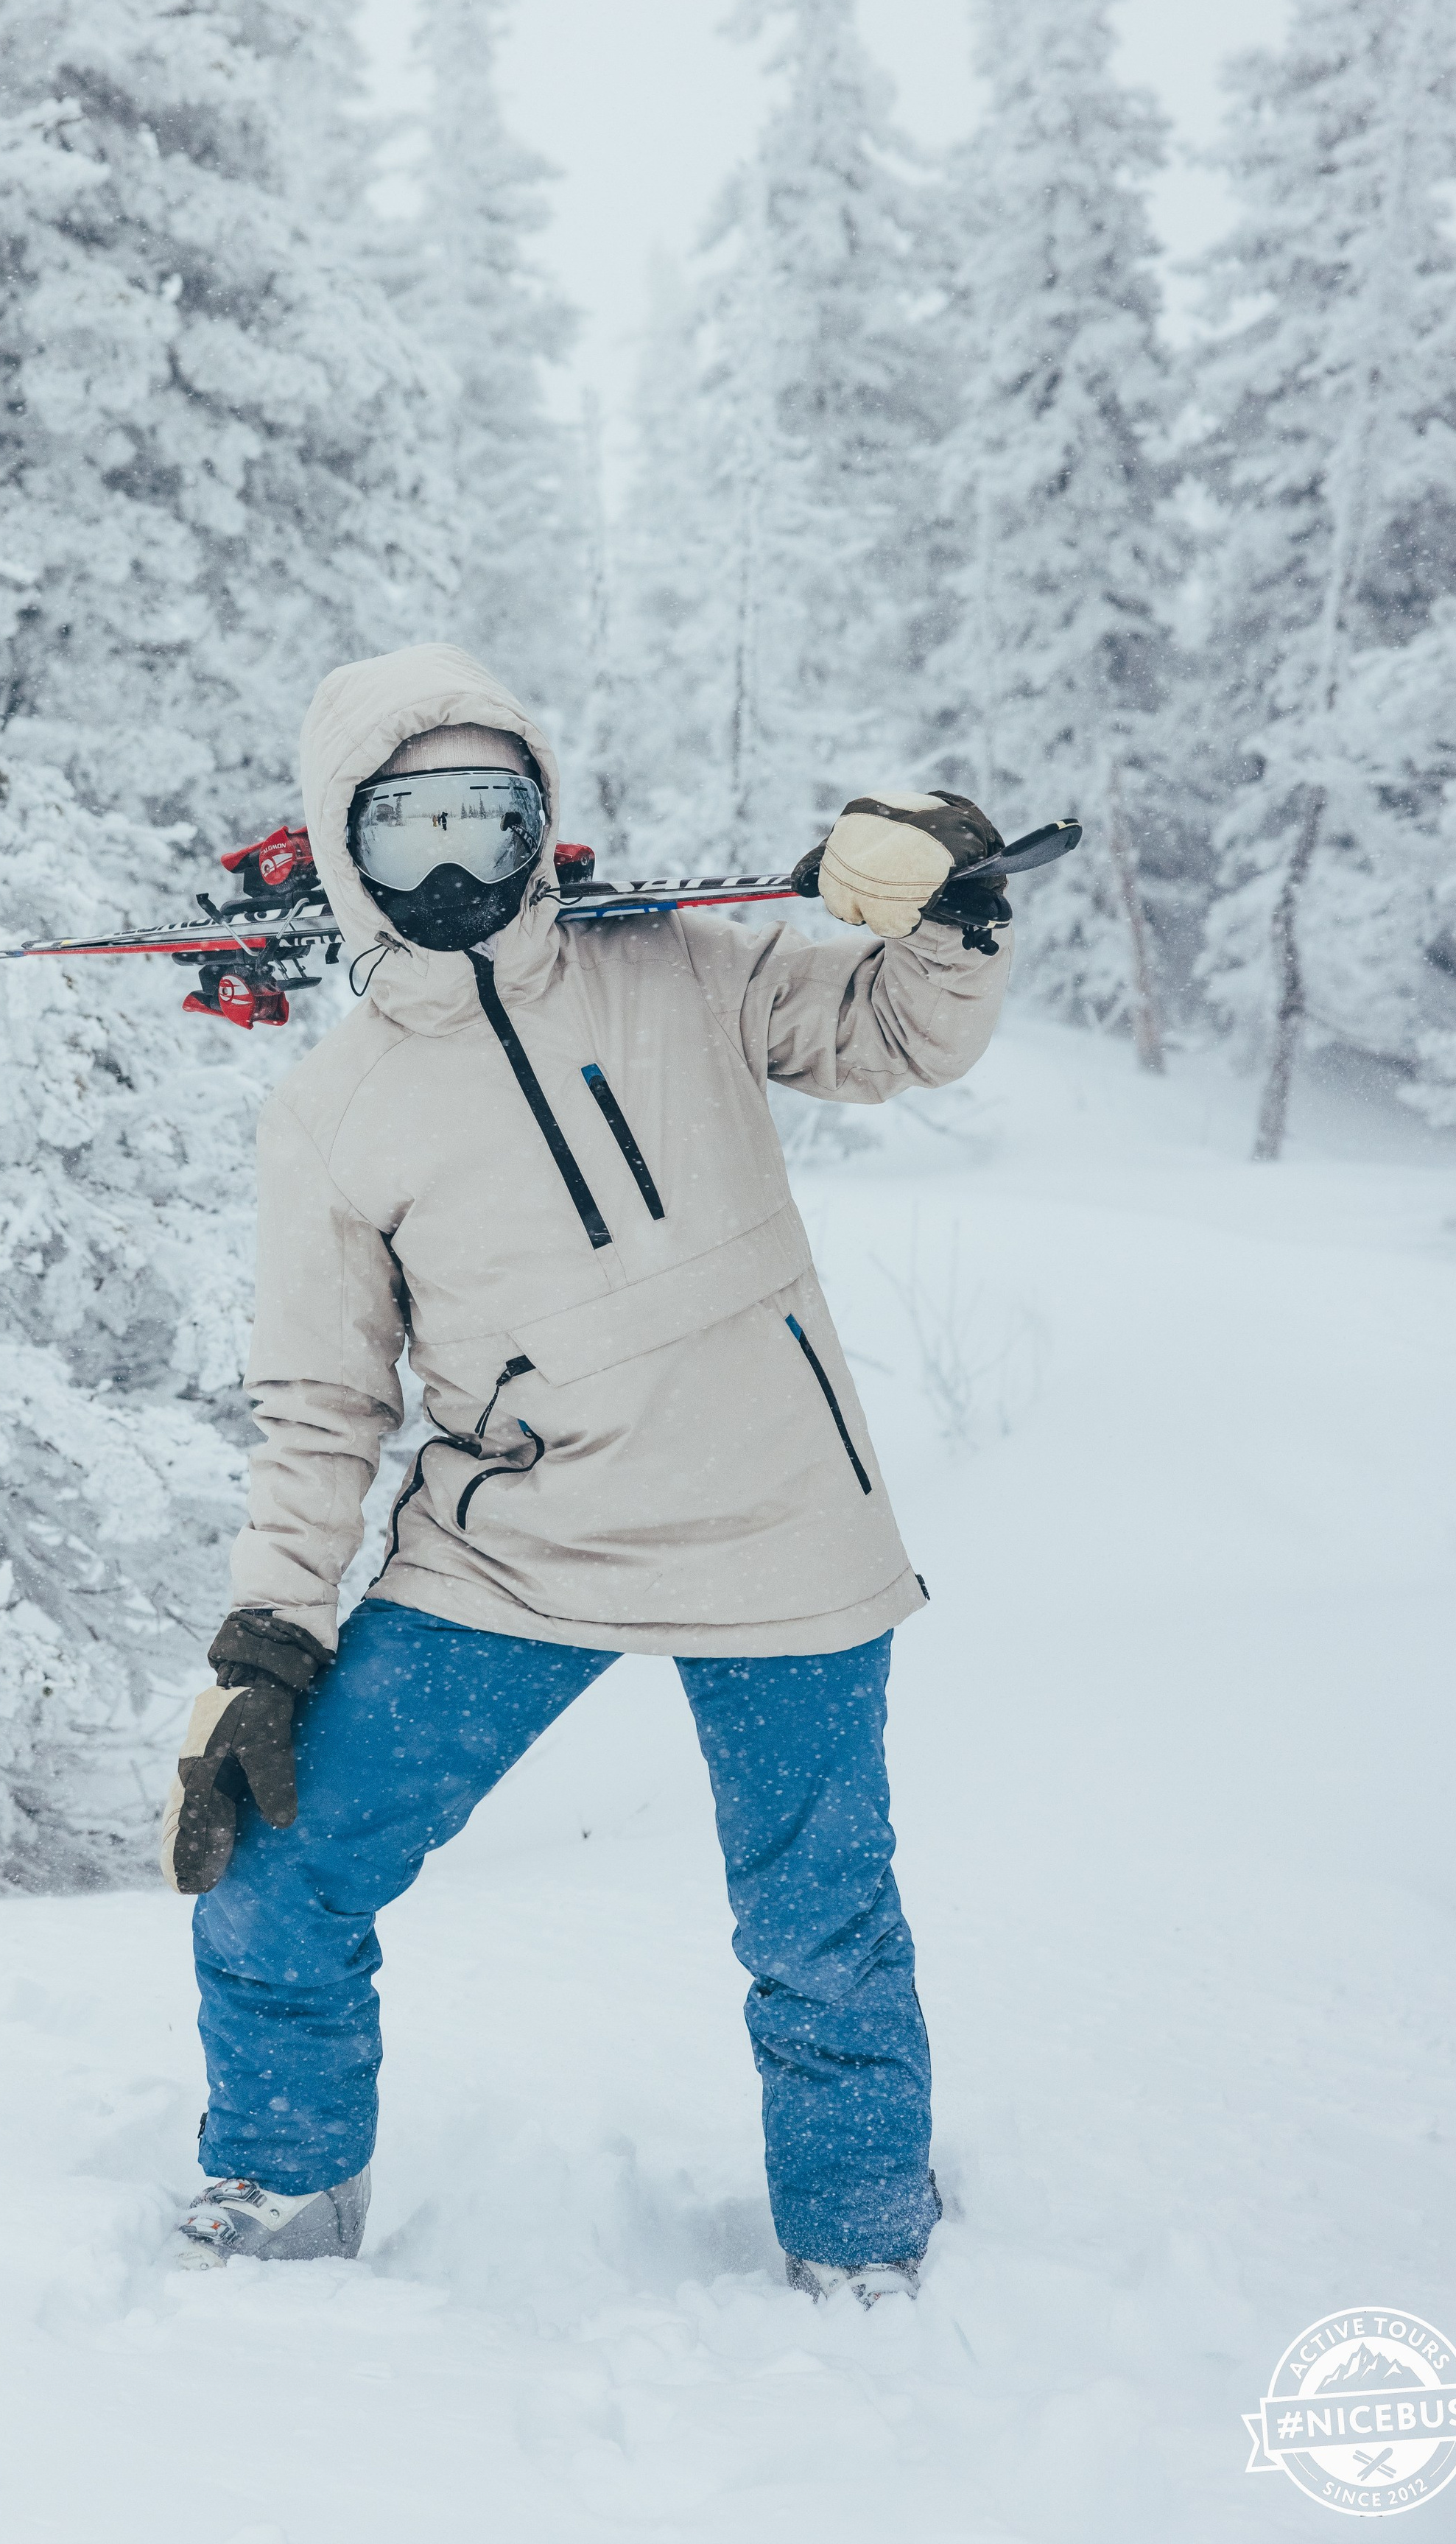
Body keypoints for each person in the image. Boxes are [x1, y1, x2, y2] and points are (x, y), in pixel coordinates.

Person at [161, 641, 1013, 2305]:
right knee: (276, 1870)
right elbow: (322, 1403)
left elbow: (894, 1034)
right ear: (344, 845)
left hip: (779, 1530)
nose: (457, 866)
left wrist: (947, 901)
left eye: (491, 817)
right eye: (410, 830)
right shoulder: (332, 1112)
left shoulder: (683, 968)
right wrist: (267, 1635)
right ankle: (281, 2187)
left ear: (542, 820)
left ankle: (857, 2245)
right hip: (514, 1552)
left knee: (817, 1931)